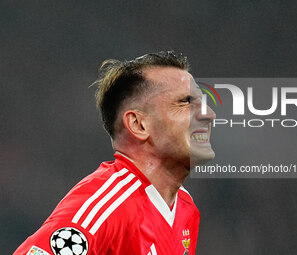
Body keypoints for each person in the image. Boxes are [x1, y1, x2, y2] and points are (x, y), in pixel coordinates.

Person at [14, 51, 216, 255]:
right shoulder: (106, 205)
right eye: (186, 101)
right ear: (138, 124)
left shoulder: (185, 208)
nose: (209, 114)